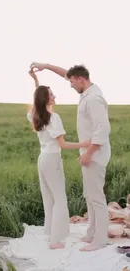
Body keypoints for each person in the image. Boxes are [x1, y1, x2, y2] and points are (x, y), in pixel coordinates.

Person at [29, 62, 111, 252]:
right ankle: (91, 232)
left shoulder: (94, 99)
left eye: (72, 81)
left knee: (96, 197)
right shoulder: (85, 92)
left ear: (81, 79)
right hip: (83, 153)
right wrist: (46, 67)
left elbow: (103, 129)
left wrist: (89, 151)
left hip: (94, 154)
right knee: (89, 195)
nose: (69, 84)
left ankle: (99, 239)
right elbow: (64, 75)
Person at [27, 69, 91, 249]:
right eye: (51, 94)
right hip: (52, 160)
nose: (54, 95)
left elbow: (36, 99)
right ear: (47, 99)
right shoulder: (53, 118)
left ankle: (50, 233)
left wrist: (36, 80)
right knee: (59, 199)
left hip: (42, 159)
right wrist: (84, 144)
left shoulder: (36, 115)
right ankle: (55, 240)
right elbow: (62, 145)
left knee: (48, 198)